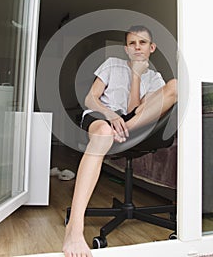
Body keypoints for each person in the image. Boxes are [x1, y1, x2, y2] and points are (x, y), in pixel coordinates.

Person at [62, 25, 177, 257]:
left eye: (142, 43)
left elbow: (135, 110)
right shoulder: (112, 64)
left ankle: (122, 130)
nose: (137, 47)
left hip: (132, 124)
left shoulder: (155, 78)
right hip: (103, 115)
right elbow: (91, 99)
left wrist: (136, 75)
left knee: (175, 85)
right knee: (104, 132)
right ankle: (74, 230)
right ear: (126, 49)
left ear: (151, 47)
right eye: (132, 44)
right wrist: (111, 115)